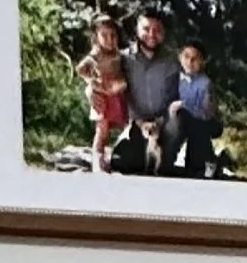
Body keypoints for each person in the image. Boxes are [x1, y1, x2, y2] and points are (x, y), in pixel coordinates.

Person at [109, 10, 180, 174]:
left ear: (163, 33)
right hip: (137, 122)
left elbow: (176, 92)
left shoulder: (171, 61)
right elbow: (111, 83)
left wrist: (162, 120)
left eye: (157, 30)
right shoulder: (124, 58)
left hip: (164, 123)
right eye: (146, 29)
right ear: (137, 29)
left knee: (163, 167)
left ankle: (168, 159)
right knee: (123, 162)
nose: (152, 34)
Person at [76, 18, 128, 173]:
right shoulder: (96, 54)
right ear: (96, 37)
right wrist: (91, 83)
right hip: (102, 96)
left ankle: (120, 154)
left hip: (117, 93)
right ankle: (97, 159)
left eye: (113, 35)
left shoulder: (118, 53)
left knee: (124, 125)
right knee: (102, 130)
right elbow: (80, 69)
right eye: (104, 36)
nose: (110, 40)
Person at [165, 41, 220, 178]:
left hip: (199, 121)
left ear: (202, 62)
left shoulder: (205, 83)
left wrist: (185, 105)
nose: (190, 61)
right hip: (176, 120)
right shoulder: (175, 77)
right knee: (178, 122)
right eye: (186, 56)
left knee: (197, 127)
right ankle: (168, 161)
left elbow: (207, 113)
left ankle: (197, 166)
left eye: (195, 58)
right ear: (179, 57)